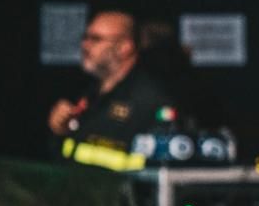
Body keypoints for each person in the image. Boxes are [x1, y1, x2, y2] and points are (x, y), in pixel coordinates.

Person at [46, 9, 177, 169]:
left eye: (96, 39)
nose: (85, 45)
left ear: (124, 47)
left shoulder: (149, 101)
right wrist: (61, 131)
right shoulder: (90, 94)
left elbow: (157, 169)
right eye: (85, 37)